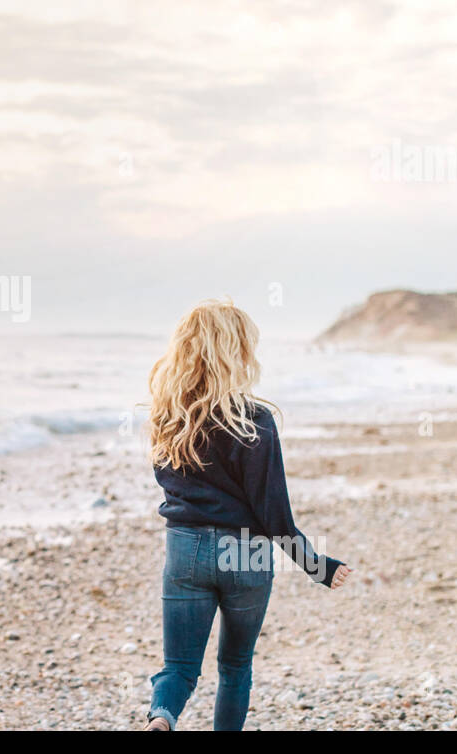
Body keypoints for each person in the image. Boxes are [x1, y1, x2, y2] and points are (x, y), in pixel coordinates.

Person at [145, 300, 351, 731]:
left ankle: (160, 721)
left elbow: (172, 487)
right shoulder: (254, 420)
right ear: (236, 350)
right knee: (235, 668)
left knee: (179, 667)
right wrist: (318, 567)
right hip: (247, 553)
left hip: (186, 548)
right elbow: (274, 513)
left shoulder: (168, 416)